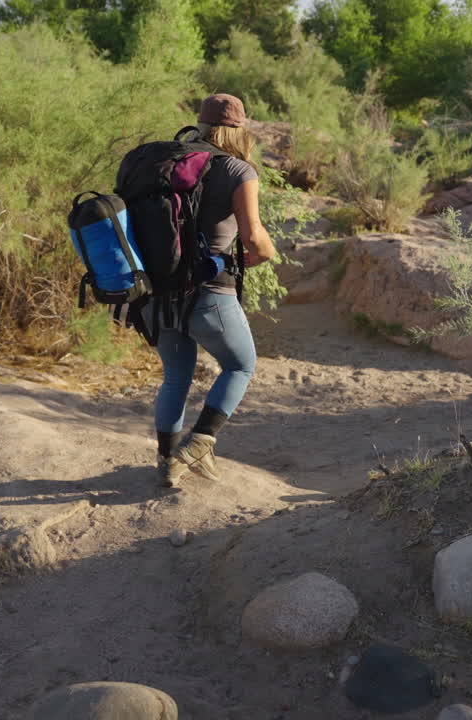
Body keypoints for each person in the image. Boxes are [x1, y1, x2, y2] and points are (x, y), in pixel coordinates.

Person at [153, 93, 275, 488]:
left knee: (175, 377)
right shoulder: (239, 170)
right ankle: (196, 446)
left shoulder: (168, 163)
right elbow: (254, 238)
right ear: (239, 130)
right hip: (210, 293)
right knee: (241, 366)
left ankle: (166, 462)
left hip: (160, 294)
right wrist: (268, 252)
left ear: (202, 125)